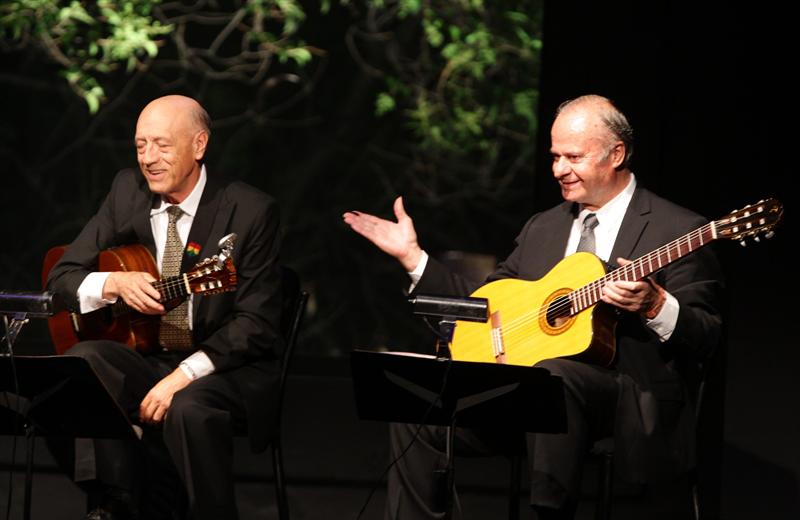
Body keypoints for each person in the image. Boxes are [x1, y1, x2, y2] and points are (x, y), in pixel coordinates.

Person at [343, 94, 725, 519]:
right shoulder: (544, 226)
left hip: (626, 403)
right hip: (529, 400)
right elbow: (488, 307)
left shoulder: (679, 229)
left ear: (616, 153)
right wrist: (414, 259)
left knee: (554, 375)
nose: (559, 169)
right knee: (420, 404)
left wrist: (655, 304)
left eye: (573, 156)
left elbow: (706, 335)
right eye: (555, 156)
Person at [46, 95, 283, 520]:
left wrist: (181, 376)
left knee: (190, 408)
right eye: (140, 146)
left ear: (199, 145)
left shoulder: (249, 210)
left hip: (223, 366)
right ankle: (113, 502)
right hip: (148, 354)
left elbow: (257, 323)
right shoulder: (127, 190)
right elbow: (61, 275)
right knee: (82, 365)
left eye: (162, 145)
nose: (148, 159)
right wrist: (113, 282)